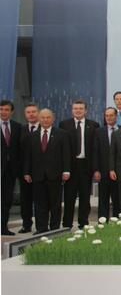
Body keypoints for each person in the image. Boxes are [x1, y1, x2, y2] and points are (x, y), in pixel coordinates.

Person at [23, 109, 70, 233]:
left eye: (48, 117)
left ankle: (55, 229)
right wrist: (27, 172)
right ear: (39, 119)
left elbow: (66, 154)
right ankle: (41, 229)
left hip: (55, 175)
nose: (45, 120)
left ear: (53, 119)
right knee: (39, 204)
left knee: (55, 204)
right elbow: (28, 155)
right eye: (43, 117)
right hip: (37, 175)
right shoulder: (32, 136)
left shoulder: (62, 134)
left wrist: (66, 171)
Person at [59, 99, 99, 229]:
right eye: (75, 108)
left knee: (85, 197)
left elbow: (95, 149)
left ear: (85, 110)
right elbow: (62, 148)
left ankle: (83, 222)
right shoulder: (64, 125)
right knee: (69, 197)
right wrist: (64, 168)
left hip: (86, 166)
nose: (78, 111)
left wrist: (95, 169)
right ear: (72, 110)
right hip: (70, 167)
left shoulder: (94, 125)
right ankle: (67, 224)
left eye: (81, 108)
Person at [93, 107, 119, 220]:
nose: (109, 117)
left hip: (119, 171)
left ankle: (118, 222)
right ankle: (103, 223)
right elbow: (95, 152)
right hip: (103, 171)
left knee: (118, 199)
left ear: (116, 116)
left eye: (111, 115)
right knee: (103, 199)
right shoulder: (99, 131)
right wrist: (96, 170)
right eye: (106, 115)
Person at [17, 103, 39, 233]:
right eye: (28, 112)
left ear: (38, 113)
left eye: (33, 112)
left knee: (41, 200)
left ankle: (41, 225)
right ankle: (26, 224)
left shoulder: (45, 128)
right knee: (25, 199)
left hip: (42, 171)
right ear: (25, 115)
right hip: (24, 171)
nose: (31, 114)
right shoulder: (21, 130)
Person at [0, 100, 22, 235]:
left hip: (10, 171)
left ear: (11, 112)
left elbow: (20, 149)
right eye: (1, 109)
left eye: (6, 110)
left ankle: (3, 227)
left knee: (6, 200)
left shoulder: (17, 127)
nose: (3, 112)